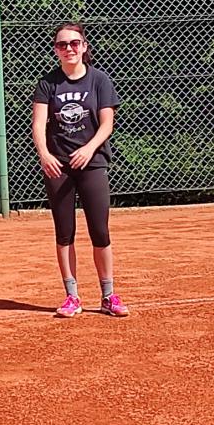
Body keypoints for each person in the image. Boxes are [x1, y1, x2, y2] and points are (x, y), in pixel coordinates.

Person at [31, 21, 129, 319]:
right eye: (62, 44)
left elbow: (107, 124)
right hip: (58, 167)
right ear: (56, 50)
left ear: (84, 47)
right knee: (64, 233)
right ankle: (72, 297)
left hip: (92, 163)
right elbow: (38, 123)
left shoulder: (99, 80)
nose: (69, 49)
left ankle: (108, 296)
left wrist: (89, 149)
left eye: (74, 43)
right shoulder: (48, 83)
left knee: (100, 230)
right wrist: (45, 155)